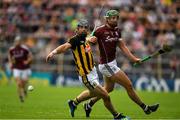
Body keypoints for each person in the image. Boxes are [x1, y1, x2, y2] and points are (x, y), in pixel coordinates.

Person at [46, 19, 128, 119]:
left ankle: (74, 102)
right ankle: (116, 116)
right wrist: (53, 52)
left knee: (92, 93)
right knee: (105, 95)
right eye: (82, 28)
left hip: (93, 71)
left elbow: (87, 41)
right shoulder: (74, 40)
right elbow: (65, 46)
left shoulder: (85, 38)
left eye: (86, 28)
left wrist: (90, 39)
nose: (84, 29)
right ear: (77, 29)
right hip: (86, 75)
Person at [84, 10, 159, 117]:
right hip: (106, 65)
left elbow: (122, 46)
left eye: (116, 18)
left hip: (112, 63)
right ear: (107, 19)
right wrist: (90, 39)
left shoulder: (117, 31)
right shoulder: (100, 30)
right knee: (129, 85)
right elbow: (86, 40)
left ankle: (89, 104)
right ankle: (145, 107)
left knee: (108, 89)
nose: (115, 19)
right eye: (112, 18)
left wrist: (133, 58)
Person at [8, 36, 33, 102]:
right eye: (16, 41)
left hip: (25, 68)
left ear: (20, 42)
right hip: (16, 68)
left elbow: (30, 57)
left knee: (23, 83)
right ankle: (21, 96)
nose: (17, 42)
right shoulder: (12, 49)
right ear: (15, 42)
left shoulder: (25, 49)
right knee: (19, 83)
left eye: (18, 41)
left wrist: (27, 61)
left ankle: (24, 90)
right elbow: (10, 56)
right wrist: (10, 63)